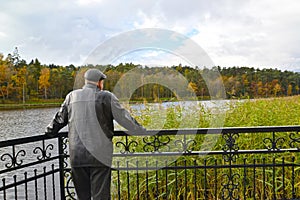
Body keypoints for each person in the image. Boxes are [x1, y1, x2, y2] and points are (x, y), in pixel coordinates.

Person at [45, 68, 146, 200]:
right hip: (99, 155)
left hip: (77, 155)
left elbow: (59, 119)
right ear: (99, 83)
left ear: (86, 81)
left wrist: (50, 131)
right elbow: (124, 118)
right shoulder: (106, 96)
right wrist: (140, 131)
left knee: (82, 196)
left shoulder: (72, 96)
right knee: (101, 196)